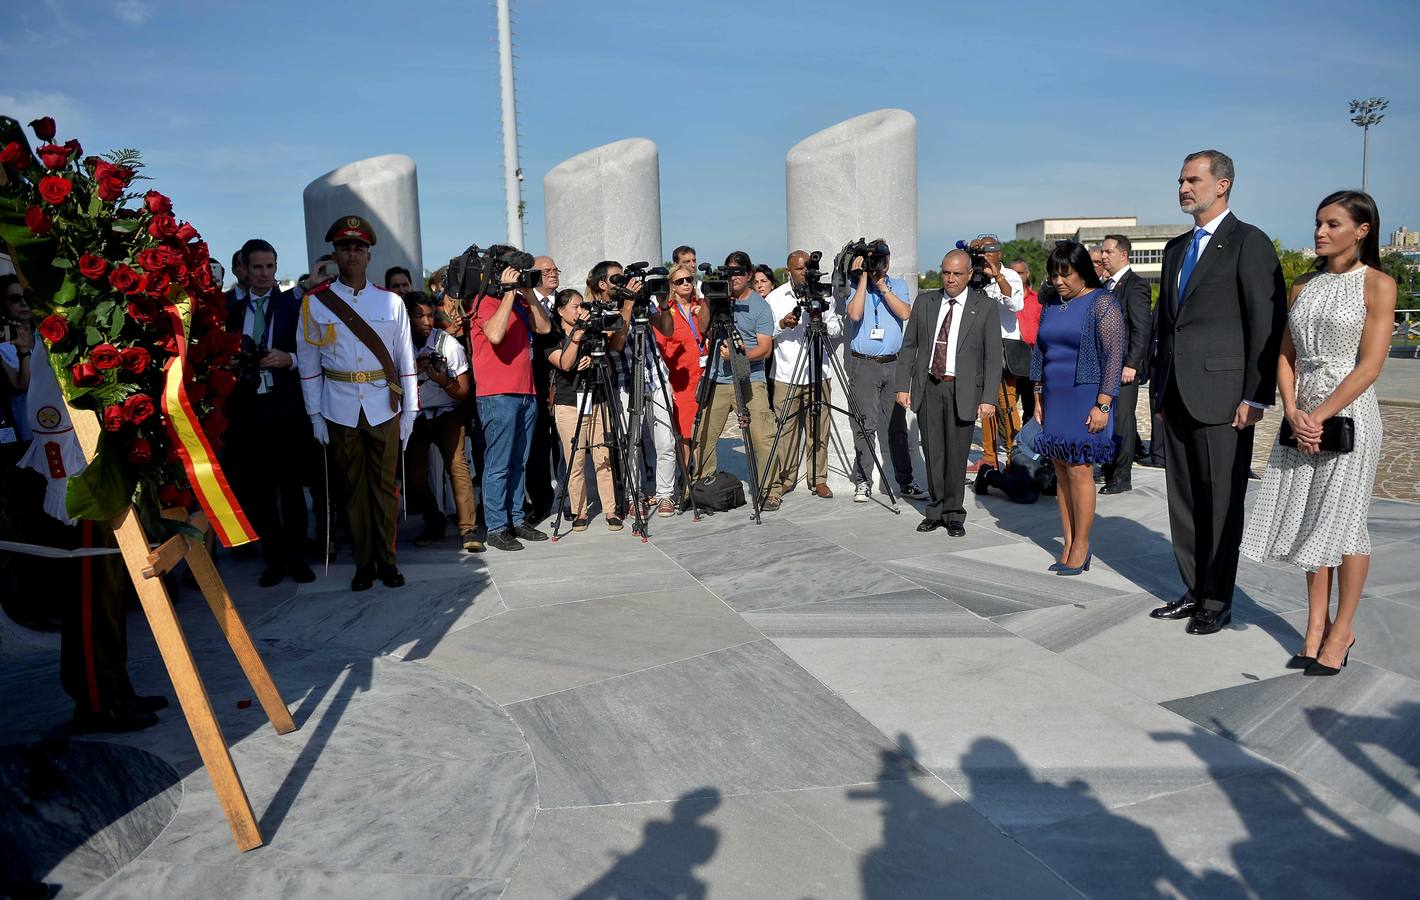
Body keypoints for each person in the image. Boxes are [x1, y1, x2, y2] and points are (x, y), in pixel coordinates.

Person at [1242, 190, 1395, 675]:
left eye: (1332, 224)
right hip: (1301, 414)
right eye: (1317, 223)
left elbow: (1369, 367)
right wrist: (1292, 409)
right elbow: (1285, 354)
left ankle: (1342, 629)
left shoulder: (1378, 284)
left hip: (1349, 416)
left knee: (1344, 523)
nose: (1320, 232)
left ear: (1362, 230)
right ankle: (1314, 627)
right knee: (1311, 521)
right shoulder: (1303, 285)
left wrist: (1320, 414)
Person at [1149, 150, 1287, 634]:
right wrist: (1158, 392)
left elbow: (1265, 325)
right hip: (1176, 396)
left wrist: (1256, 395)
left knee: (1222, 501)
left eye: (1193, 179)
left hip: (1225, 399)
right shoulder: (1174, 250)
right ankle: (1192, 588)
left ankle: (1217, 598)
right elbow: (1167, 328)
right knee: (1184, 502)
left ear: (1222, 184)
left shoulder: (1248, 243)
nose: (1183, 188)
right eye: (1180, 180)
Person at [297, 216, 419, 591]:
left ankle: (388, 561)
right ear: (334, 253)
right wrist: (315, 413)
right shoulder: (316, 303)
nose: (352, 254)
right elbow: (308, 363)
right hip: (340, 405)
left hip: (383, 405)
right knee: (352, 488)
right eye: (345, 247)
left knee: (385, 487)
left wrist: (411, 409)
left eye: (359, 248)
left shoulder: (391, 301)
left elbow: (405, 359)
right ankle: (363, 563)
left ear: (369, 255)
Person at [1030, 241, 1125, 575]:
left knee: (1079, 468)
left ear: (1082, 270)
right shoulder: (1051, 304)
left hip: (1086, 395)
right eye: (1054, 274)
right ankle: (1068, 543)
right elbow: (1040, 350)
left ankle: (1082, 546)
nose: (1058, 281)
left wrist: (1103, 404)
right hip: (1055, 395)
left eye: (1065, 273)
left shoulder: (1102, 303)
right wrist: (1038, 394)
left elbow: (1115, 356)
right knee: (1059, 468)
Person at [223, 239, 314, 587]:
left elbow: (312, 352)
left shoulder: (293, 306)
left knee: (291, 486)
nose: (264, 274)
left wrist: (287, 359)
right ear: (244, 268)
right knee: (258, 489)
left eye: (270, 267)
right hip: (248, 408)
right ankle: (273, 559)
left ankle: (297, 558)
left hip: (285, 406)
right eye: (257, 267)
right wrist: (231, 362)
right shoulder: (231, 309)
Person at [895, 249, 1002, 536]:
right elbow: (909, 347)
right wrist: (902, 385)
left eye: (957, 274)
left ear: (969, 275)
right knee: (933, 453)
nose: (950, 279)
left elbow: (993, 357)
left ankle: (954, 513)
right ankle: (936, 508)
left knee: (956, 455)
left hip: (963, 389)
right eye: (946, 272)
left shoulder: (985, 306)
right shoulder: (926, 302)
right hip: (929, 386)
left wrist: (989, 397)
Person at [469, 250, 554, 551]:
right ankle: (496, 526)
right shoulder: (484, 303)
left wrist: (527, 291)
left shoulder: (521, 301)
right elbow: (494, 334)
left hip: (526, 391)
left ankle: (517, 519)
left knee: (519, 461)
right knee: (498, 463)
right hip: (497, 393)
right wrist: (507, 294)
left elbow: (544, 328)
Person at [844, 240, 925, 502]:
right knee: (864, 425)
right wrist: (864, 279)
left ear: (888, 261)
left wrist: (882, 286)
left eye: (879, 260)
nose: (877, 264)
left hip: (894, 364)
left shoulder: (898, 285)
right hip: (864, 363)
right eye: (871, 260)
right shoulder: (856, 285)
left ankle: (906, 481)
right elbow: (855, 315)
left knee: (897, 426)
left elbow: (905, 313)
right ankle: (863, 481)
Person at [763, 250, 842, 506]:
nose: (804, 273)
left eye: (807, 268)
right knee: (785, 428)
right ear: (788, 271)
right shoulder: (776, 298)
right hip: (786, 373)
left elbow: (837, 327)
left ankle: (818, 478)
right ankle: (786, 477)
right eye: (799, 269)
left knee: (818, 428)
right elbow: (765, 333)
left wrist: (822, 321)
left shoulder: (822, 293)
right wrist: (782, 325)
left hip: (819, 372)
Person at [405, 291, 481, 552]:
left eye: (429, 315)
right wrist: (413, 370)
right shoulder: (396, 345)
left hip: (448, 412)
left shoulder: (448, 344)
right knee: (413, 474)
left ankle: (467, 528)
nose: (426, 322)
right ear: (406, 318)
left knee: (457, 466)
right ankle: (433, 519)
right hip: (414, 416)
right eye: (418, 316)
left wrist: (441, 379)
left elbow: (463, 391)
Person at [693, 251, 775, 484]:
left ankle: (771, 489)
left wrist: (737, 355)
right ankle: (703, 484)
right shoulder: (720, 301)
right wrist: (709, 299)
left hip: (751, 378)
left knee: (761, 437)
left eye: (739, 272)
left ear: (749, 275)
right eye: (730, 271)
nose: (734, 277)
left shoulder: (760, 306)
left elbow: (765, 349)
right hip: (718, 379)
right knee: (705, 435)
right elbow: (702, 327)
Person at [545, 288, 621, 531]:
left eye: (582, 306)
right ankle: (579, 511)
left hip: (598, 401)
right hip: (568, 405)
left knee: (603, 456)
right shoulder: (552, 337)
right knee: (575, 460)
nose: (581, 311)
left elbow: (609, 371)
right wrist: (577, 339)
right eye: (576, 307)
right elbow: (565, 363)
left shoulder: (593, 332)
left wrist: (598, 360)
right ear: (560, 310)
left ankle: (610, 510)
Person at [1098, 234, 1153, 494]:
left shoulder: (1136, 285)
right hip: (1102, 365)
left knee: (1122, 421)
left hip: (1124, 369)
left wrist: (1132, 363)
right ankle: (1109, 468)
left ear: (1123, 255)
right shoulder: (1103, 286)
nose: (1102, 256)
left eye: (1108, 251)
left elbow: (1142, 329)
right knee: (1105, 418)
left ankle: (1122, 476)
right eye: (1102, 251)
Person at [973, 236, 1026, 472]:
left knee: (1007, 404)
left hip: (1005, 348)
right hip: (982, 348)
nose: (983, 256)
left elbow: (1016, 304)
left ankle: (1015, 457)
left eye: (987, 251)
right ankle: (989, 457)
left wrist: (997, 276)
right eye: (979, 252)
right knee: (986, 404)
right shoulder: (975, 277)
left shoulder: (1010, 276)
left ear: (998, 254)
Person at [654, 261, 704, 506]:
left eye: (689, 280)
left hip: (703, 376)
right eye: (679, 281)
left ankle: (703, 481)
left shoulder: (701, 306)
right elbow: (661, 349)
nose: (686, 284)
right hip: (681, 379)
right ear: (671, 286)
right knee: (685, 435)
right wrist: (667, 381)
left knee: (703, 432)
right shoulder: (666, 312)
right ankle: (684, 483)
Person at [523, 255, 563, 521]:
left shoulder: (566, 302)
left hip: (563, 381)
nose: (553, 274)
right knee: (537, 446)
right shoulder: (524, 302)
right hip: (533, 381)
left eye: (555, 269)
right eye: (546, 270)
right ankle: (540, 502)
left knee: (564, 443)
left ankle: (566, 497)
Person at [1, 275, 34, 448]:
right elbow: (21, 385)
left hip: (65, 418)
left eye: (27, 298)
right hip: (29, 426)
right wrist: (23, 352)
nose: (23, 303)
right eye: (15, 299)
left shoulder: (47, 333)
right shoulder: (2, 345)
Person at [1010, 258, 1043, 423]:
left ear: (1027, 274)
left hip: (1032, 360)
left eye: (1020, 272)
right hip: (1009, 360)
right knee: (1008, 406)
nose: (1017, 276)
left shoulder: (1038, 300)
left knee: (1031, 406)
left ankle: (1028, 440)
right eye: (1014, 273)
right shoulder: (1003, 301)